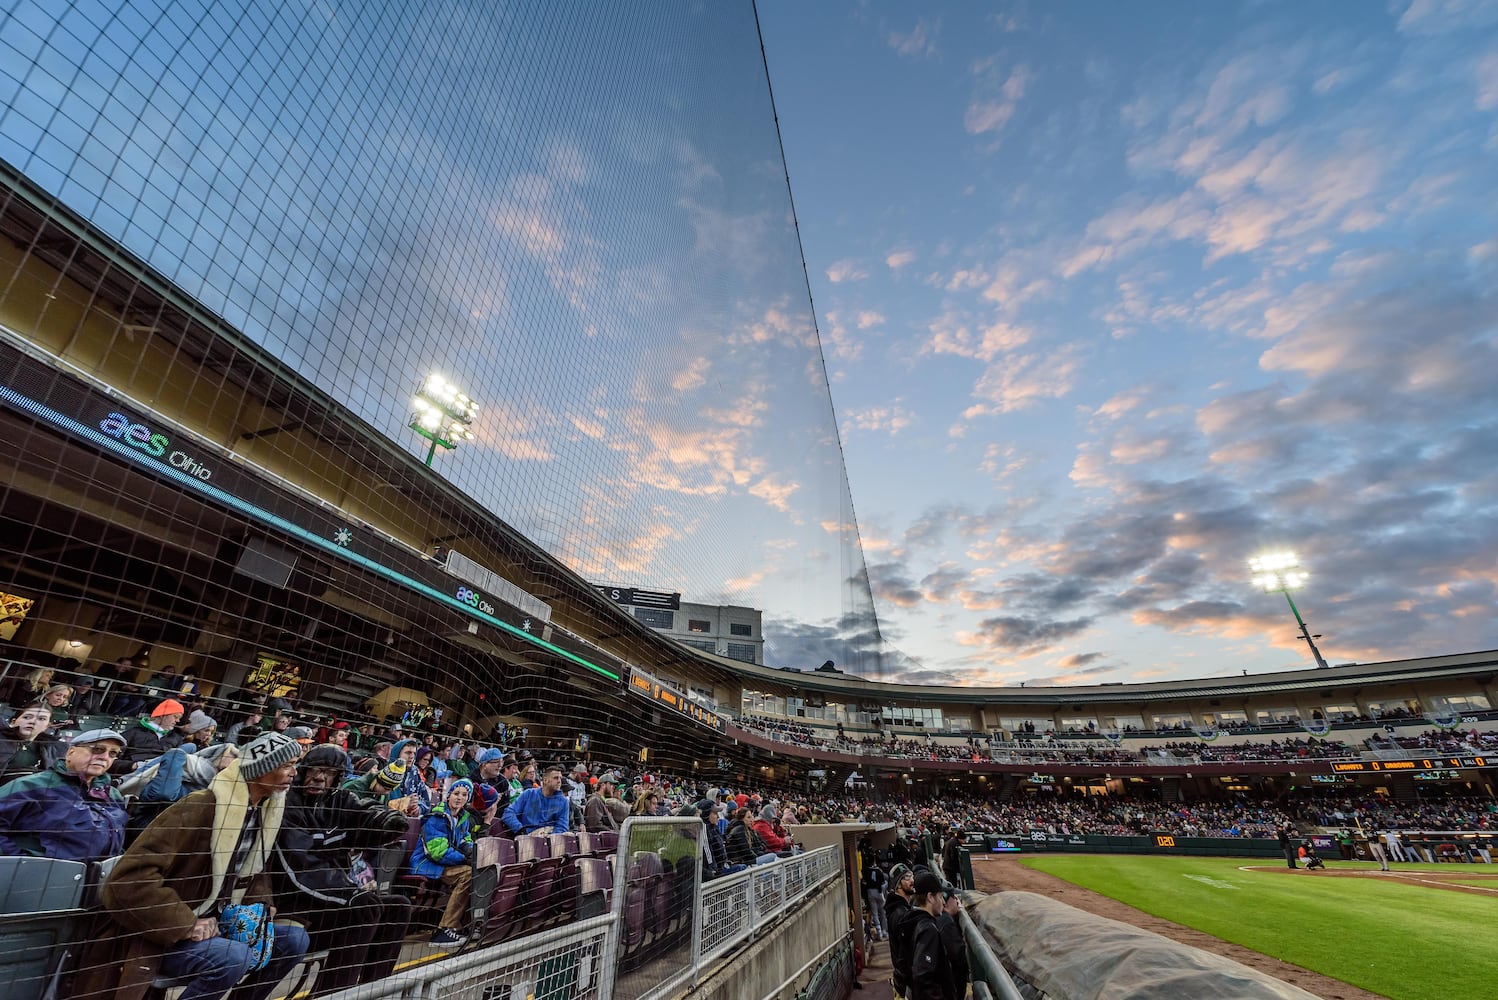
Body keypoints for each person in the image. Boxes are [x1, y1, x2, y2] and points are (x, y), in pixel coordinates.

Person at [70, 731, 311, 1000]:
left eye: (295, 765)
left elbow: (254, 870)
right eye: (287, 765)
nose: (294, 773)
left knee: (294, 940)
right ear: (261, 769)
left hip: (220, 923)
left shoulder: (262, 814)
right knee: (233, 957)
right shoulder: (198, 807)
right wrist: (186, 924)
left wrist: (261, 905)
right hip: (158, 934)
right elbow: (128, 880)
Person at [272, 745, 413, 994]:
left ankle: (373, 990)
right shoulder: (286, 802)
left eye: (328, 772)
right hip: (293, 898)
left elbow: (365, 810)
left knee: (399, 906)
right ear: (303, 770)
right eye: (315, 770)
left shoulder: (339, 799)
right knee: (363, 908)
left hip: (331, 900)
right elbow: (303, 863)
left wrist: (386, 819)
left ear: (338, 778)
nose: (319, 777)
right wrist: (350, 892)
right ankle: (332, 994)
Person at [0, 727, 129, 861]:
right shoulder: (33, 785)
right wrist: (20, 862)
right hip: (40, 877)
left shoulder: (113, 794)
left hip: (96, 877)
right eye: (97, 749)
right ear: (70, 753)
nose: (104, 757)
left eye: (113, 753)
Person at [412, 778, 477, 946]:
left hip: (444, 864)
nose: (459, 798)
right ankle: (445, 929)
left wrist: (472, 851)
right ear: (448, 796)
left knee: (478, 871)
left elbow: (465, 840)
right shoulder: (437, 817)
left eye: (464, 795)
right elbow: (437, 852)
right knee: (467, 874)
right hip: (426, 864)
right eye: (456, 794)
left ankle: (465, 924)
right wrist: (464, 858)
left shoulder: (462, 818)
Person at [907, 872, 961, 1000]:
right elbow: (922, 975)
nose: (943, 902)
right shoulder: (928, 929)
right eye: (940, 896)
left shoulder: (912, 920)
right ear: (930, 897)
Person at [0, 701, 65, 784]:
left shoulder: (54, 750)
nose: (33, 722)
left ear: (47, 726)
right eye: (27, 717)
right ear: (13, 722)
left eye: (41, 719)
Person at [115, 698, 186, 773]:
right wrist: (132, 765)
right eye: (175, 717)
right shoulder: (133, 733)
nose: (178, 721)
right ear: (163, 715)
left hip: (163, 773)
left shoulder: (176, 737)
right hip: (136, 773)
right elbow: (111, 759)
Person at [501, 765, 570, 834]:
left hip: (550, 839)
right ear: (545, 780)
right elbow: (508, 813)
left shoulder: (563, 802)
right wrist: (520, 830)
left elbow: (562, 827)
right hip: (526, 838)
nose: (559, 781)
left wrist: (548, 840)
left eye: (560, 778)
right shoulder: (528, 794)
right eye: (556, 778)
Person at [885, 864, 917, 997]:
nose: (912, 880)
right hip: (907, 983)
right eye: (907, 877)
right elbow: (906, 952)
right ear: (898, 885)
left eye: (912, 876)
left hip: (903, 980)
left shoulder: (900, 910)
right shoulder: (900, 914)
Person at [863, 857, 889, 941]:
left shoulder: (866, 871)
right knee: (883, 912)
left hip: (870, 892)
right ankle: (884, 931)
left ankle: (879, 932)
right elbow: (883, 881)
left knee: (875, 913)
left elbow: (864, 882)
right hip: (879, 892)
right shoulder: (879, 871)